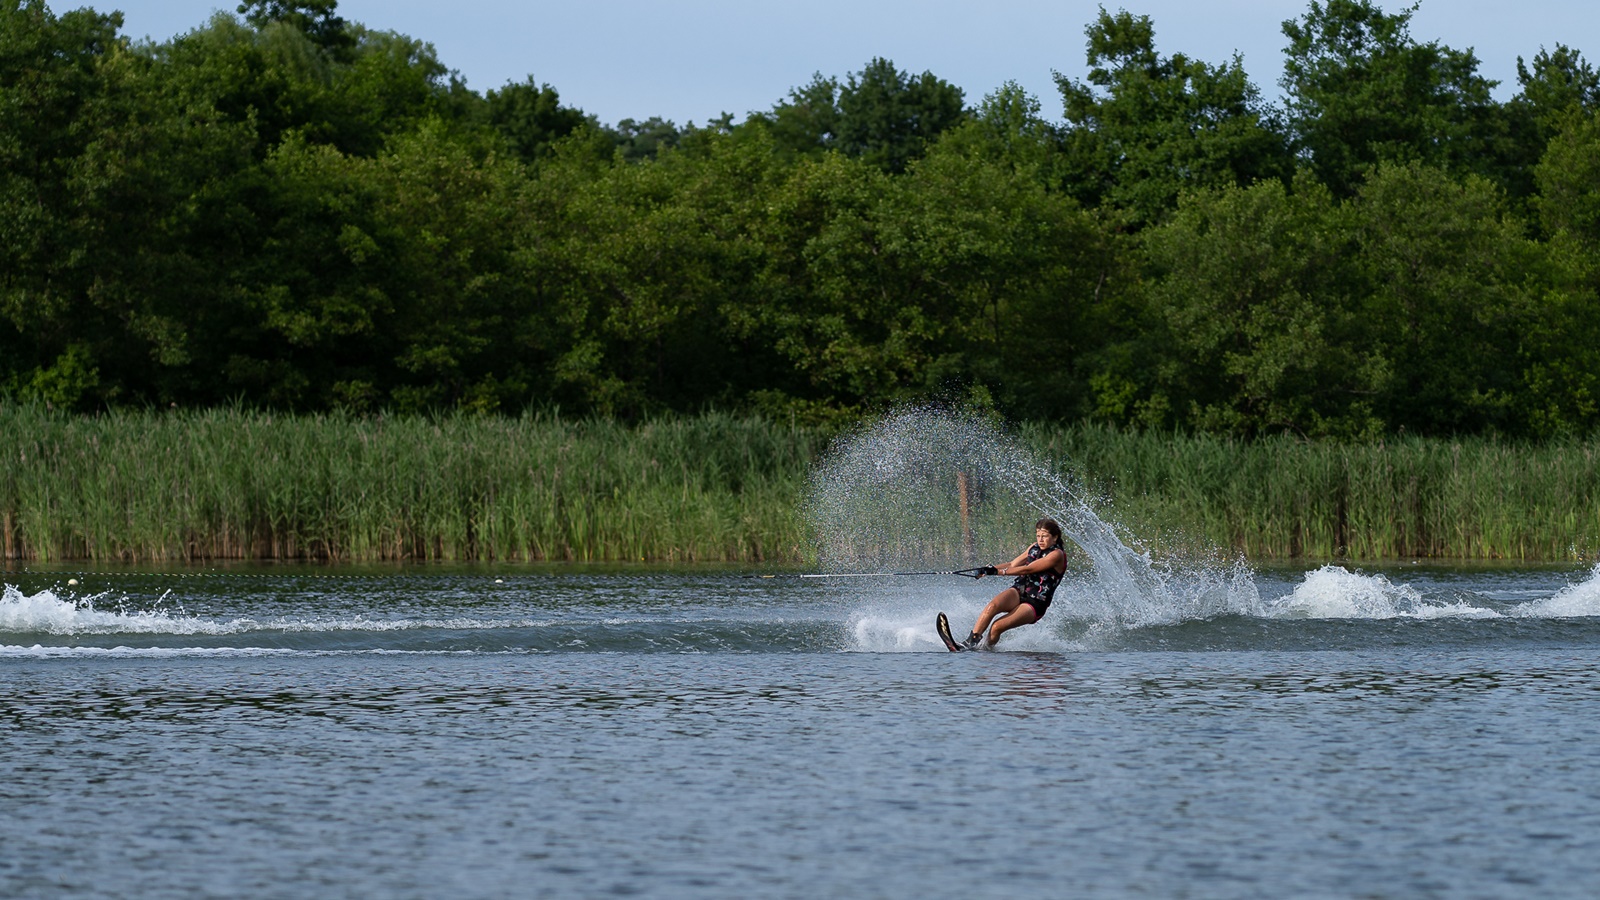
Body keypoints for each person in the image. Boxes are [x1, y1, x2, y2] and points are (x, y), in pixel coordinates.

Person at [959, 518, 1067, 649]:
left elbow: (1028, 569)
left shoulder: (1057, 555)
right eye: (1038, 536)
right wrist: (988, 570)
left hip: (1035, 602)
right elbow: (1013, 564)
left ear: (1055, 537)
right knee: (992, 606)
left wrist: (997, 572)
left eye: (1044, 536)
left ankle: (984, 650)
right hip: (1020, 589)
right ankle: (970, 643)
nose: (1040, 540)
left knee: (997, 626)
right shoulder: (1034, 547)